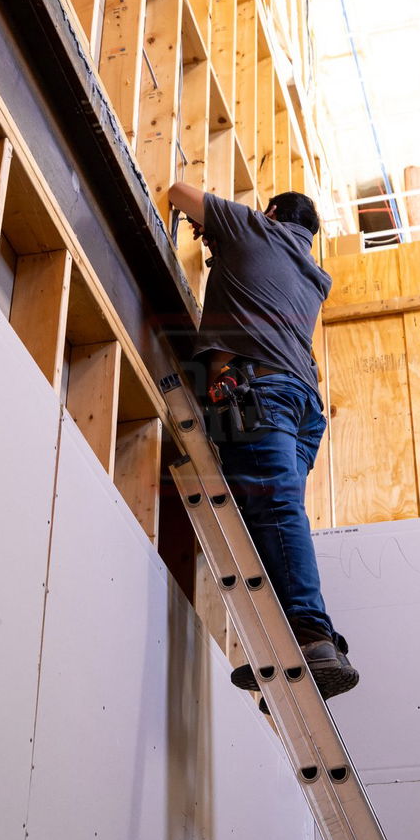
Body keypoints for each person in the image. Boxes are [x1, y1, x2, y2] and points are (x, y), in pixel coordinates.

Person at [167, 181, 358, 703]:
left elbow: (179, 190)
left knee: (272, 513)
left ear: (271, 212)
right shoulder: (311, 273)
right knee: (274, 519)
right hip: (300, 404)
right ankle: (296, 642)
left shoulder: (256, 228)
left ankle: (312, 638)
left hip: (260, 392)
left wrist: (223, 223)